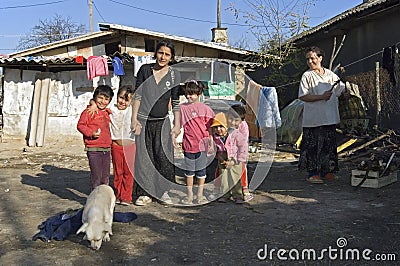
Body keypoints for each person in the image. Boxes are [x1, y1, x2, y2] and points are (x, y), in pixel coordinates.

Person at [131, 39, 181, 206]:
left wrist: (177, 124)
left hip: (163, 122)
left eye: (167, 54)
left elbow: (175, 102)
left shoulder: (174, 74)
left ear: (172, 57)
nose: (163, 57)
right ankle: (145, 193)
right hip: (144, 122)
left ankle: (164, 192)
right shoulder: (145, 70)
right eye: (161, 53)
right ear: (155, 53)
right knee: (144, 158)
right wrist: (134, 119)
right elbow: (137, 96)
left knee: (164, 157)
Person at [298, 46, 348, 184]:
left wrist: (345, 93)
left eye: (312, 58)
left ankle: (327, 172)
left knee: (328, 146)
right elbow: (303, 96)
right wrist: (321, 97)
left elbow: (340, 88)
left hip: (330, 116)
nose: (310, 61)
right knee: (313, 146)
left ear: (320, 58)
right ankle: (312, 173)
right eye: (307, 59)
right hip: (313, 119)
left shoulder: (330, 75)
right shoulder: (306, 76)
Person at [172, 80, 215, 205]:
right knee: (189, 172)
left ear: (200, 94)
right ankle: (190, 195)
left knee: (201, 172)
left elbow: (210, 128)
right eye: (187, 93)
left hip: (203, 146)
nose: (189, 96)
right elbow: (177, 125)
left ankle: (200, 194)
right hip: (188, 145)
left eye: (192, 94)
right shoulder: (181, 108)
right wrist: (174, 137)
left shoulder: (206, 109)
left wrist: (211, 143)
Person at [77, 85, 114, 191]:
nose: (103, 101)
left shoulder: (107, 112)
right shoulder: (89, 111)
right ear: (95, 97)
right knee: (96, 175)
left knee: (105, 175)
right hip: (93, 149)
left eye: (106, 99)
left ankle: (103, 197)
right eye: (100, 98)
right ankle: (95, 196)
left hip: (106, 149)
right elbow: (80, 125)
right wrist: (91, 133)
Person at [211, 112, 248, 204]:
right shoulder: (216, 137)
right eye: (216, 127)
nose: (218, 129)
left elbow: (243, 146)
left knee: (235, 177)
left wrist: (237, 160)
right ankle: (225, 195)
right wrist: (220, 159)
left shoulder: (235, 134)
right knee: (224, 177)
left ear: (226, 126)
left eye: (221, 127)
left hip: (235, 157)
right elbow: (215, 149)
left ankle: (238, 195)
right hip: (222, 157)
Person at [227, 104, 253, 202]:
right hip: (227, 153)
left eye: (236, 120)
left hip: (239, 154)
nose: (233, 122)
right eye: (230, 119)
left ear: (241, 120)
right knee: (223, 172)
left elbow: (243, 143)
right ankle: (223, 191)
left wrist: (239, 157)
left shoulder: (243, 127)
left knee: (241, 171)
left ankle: (244, 189)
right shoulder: (226, 125)